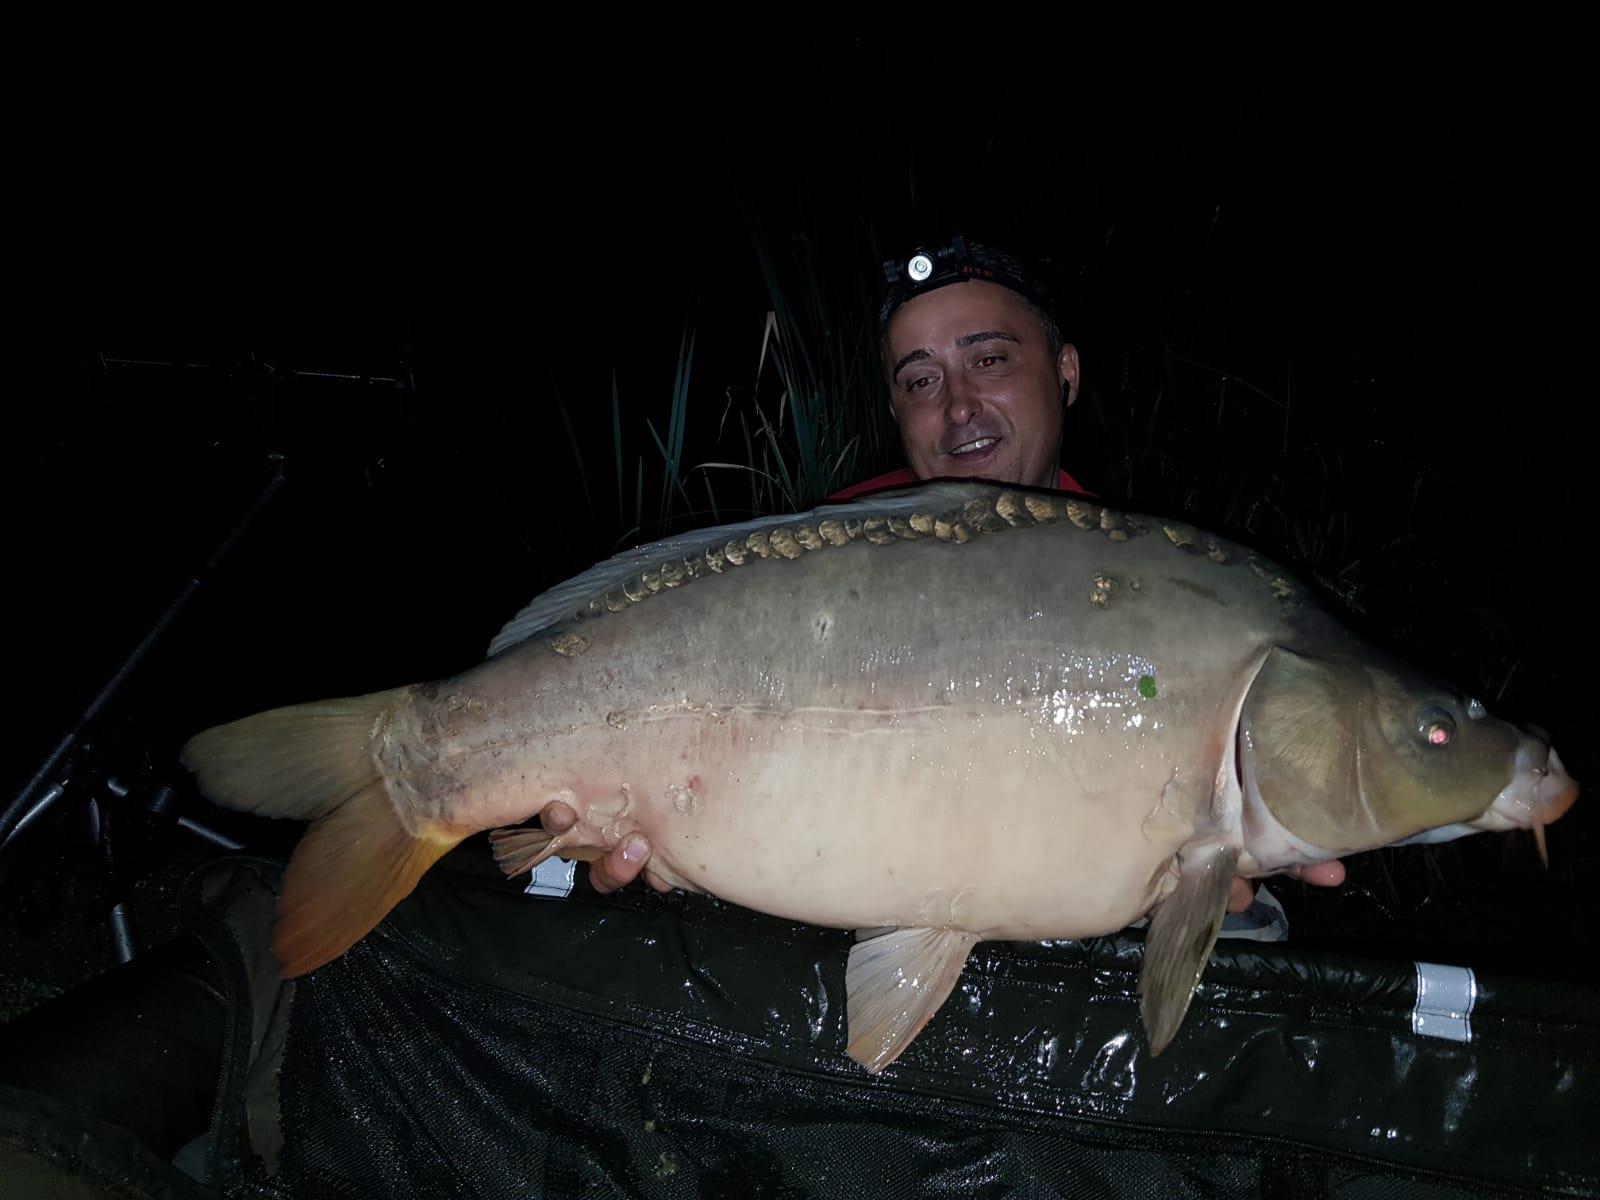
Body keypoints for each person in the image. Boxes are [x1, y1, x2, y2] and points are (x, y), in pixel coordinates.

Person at [541, 237, 1346, 913]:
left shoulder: (1167, 590)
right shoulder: (802, 558)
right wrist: (653, 857)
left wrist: (1238, 846)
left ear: (1066, 370)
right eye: (920, 380)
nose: (958, 406)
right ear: (896, 413)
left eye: (990, 358)